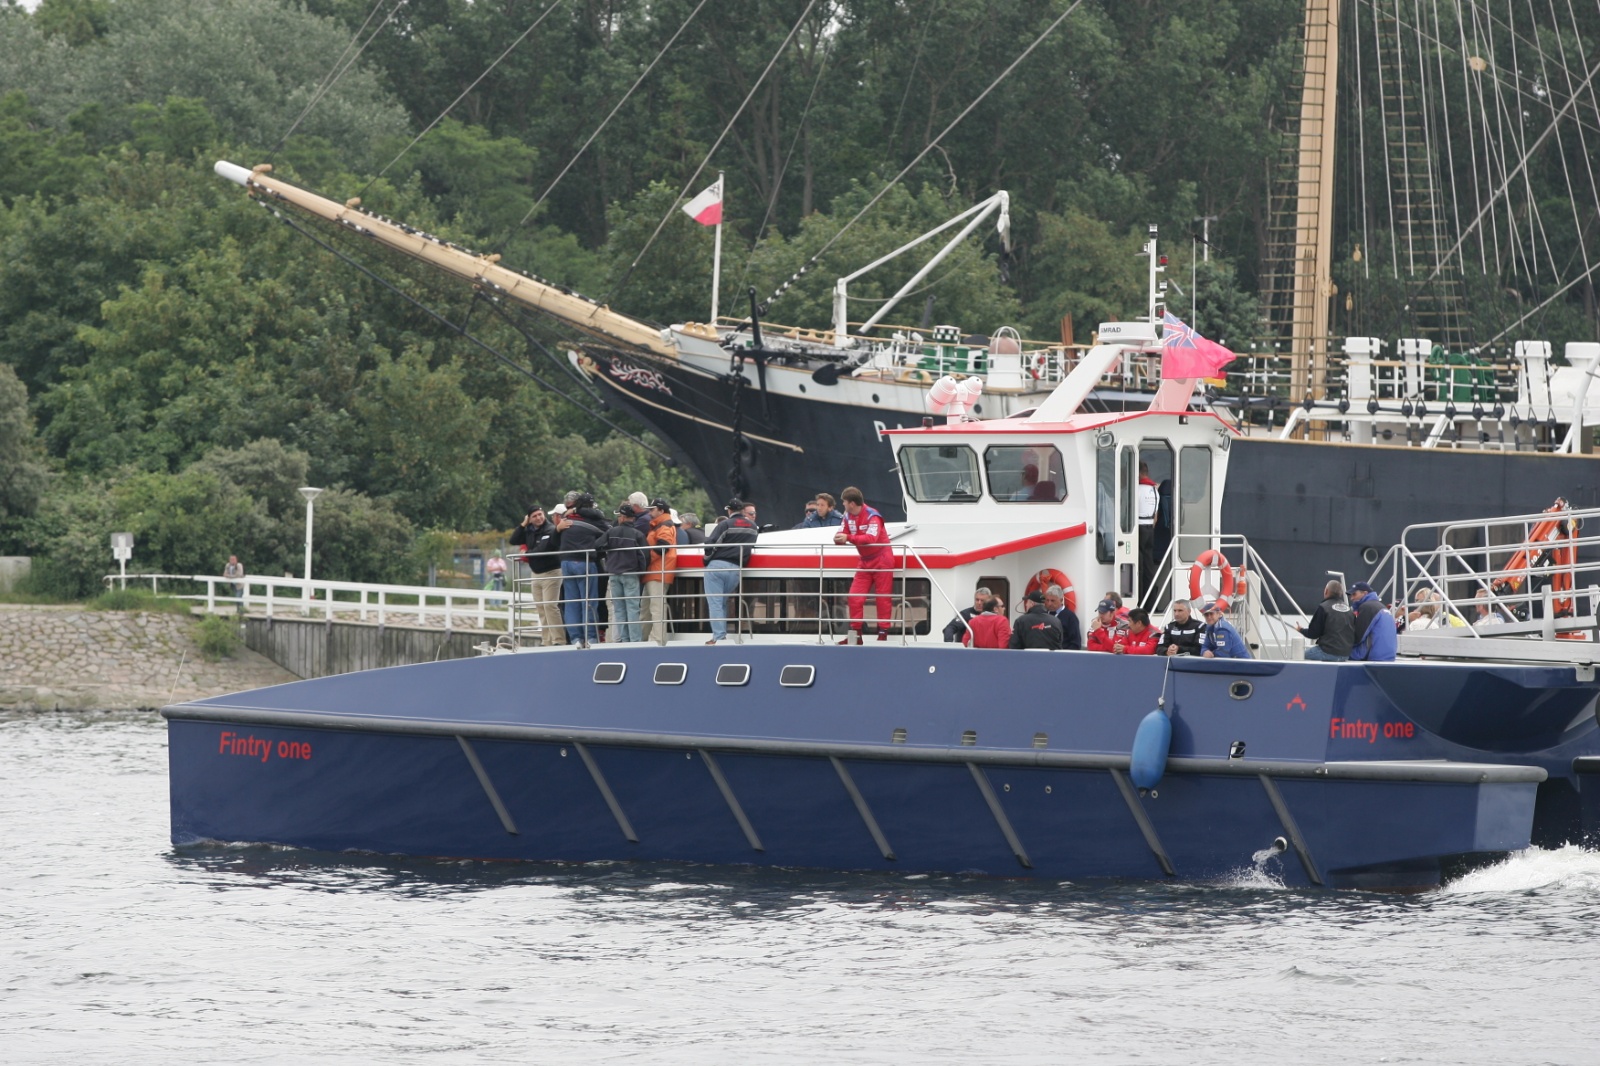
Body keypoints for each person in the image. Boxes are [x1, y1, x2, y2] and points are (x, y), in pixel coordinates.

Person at [835, 486, 895, 644]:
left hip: (882, 559)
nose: (843, 505)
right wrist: (839, 539)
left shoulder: (873, 516)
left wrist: (847, 537)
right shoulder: (847, 517)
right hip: (865, 560)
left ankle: (883, 634)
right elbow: (841, 533)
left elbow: (871, 539)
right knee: (854, 597)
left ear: (852, 504)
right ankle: (856, 635)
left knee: (882, 598)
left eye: (844, 502)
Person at [556, 493, 611, 647]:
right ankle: (591, 638)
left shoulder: (566, 520)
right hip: (585, 562)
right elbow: (609, 532)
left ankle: (575, 639)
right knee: (588, 602)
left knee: (572, 602)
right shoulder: (594, 520)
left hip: (566, 562)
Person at [703, 498, 758, 644]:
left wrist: (706, 559)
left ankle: (719, 637)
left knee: (715, 603)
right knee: (722, 602)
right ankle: (720, 635)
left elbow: (711, 544)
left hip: (717, 567)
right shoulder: (753, 527)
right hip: (736, 569)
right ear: (742, 510)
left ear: (729, 510)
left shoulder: (725, 524)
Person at [509, 505, 566, 645]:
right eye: (534, 516)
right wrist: (523, 525)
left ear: (544, 514)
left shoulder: (550, 529)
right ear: (529, 519)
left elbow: (543, 549)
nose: (538, 518)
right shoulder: (529, 530)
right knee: (541, 607)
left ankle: (559, 639)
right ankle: (546, 640)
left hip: (552, 572)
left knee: (550, 606)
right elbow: (514, 540)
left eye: (540, 514)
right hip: (536, 573)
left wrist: (526, 554)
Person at [601, 504, 648, 642]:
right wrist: (641, 572)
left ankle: (623, 639)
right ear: (632, 518)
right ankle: (635, 641)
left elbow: (597, 545)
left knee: (619, 609)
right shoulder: (637, 534)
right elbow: (645, 556)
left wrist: (608, 559)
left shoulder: (611, 532)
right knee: (633, 608)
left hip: (614, 574)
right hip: (631, 574)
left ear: (621, 517)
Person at [642, 498, 679, 644]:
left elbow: (663, 547)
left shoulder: (663, 526)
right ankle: (645, 639)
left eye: (652, 509)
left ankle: (658, 640)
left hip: (658, 571)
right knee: (648, 609)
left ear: (661, 510)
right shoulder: (661, 525)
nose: (650, 512)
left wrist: (644, 560)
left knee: (656, 608)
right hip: (655, 571)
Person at [1299, 579, 1355, 661]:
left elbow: (1313, 633)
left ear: (1326, 591)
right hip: (1346, 654)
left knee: (1298, 656)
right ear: (1341, 593)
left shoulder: (1323, 607)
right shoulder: (1348, 609)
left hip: (1328, 652)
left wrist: (1301, 629)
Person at [1348, 584, 1398, 662]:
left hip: (1373, 656)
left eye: (1354, 594)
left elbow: (1358, 637)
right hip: (1389, 656)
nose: (1352, 598)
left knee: (1336, 653)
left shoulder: (1367, 607)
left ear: (1364, 593)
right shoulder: (1382, 607)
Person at [1137, 461, 1158, 596]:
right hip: (1150, 528)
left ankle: (1139, 597)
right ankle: (1151, 599)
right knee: (1149, 566)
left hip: (1138, 528)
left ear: (1137, 473)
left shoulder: (1136, 490)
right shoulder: (1155, 491)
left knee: (1138, 567)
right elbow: (1156, 516)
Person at [1043, 585, 1083, 650]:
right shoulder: (1044, 615)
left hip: (1063, 655)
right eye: (1047, 600)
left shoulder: (1070, 617)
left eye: (1053, 601)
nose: (1049, 603)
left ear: (1061, 600)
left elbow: (1076, 643)